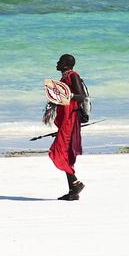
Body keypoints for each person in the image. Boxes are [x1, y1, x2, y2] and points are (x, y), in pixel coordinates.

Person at [48, 53, 87, 200]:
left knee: (58, 152)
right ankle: (73, 191)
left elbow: (81, 96)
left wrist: (68, 96)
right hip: (65, 119)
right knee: (64, 152)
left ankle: (76, 184)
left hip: (70, 119)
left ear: (65, 64)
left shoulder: (73, 75)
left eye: (59, 61)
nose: (57, 63)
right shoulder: (64, 78)